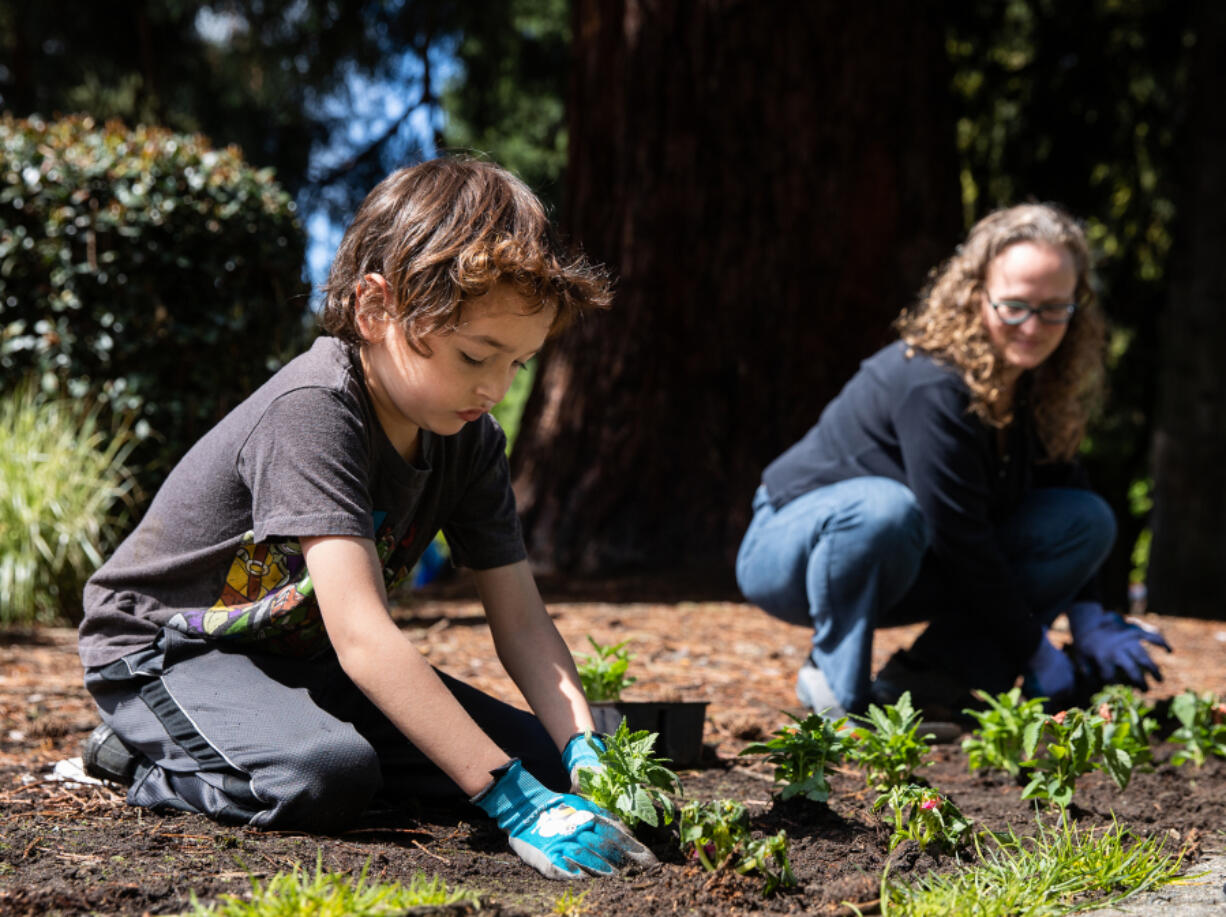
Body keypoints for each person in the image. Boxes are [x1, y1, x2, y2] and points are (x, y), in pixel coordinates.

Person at [76, 157, 655, 881]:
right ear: (376, 308)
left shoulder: (469, 438)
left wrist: (583, 747)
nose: (495, 387)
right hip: (167, 651)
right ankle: (135, 756)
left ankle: (290, 735)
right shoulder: (315, 410)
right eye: (476, 354)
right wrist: (510, 801)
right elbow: (361, 633)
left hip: (297, 659)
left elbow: (522, 620)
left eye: (520, 364)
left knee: (543, 758)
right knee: (324, 776)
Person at [735, 203, 1170, 720]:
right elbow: (960, 535)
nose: (1034, 326)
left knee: (1084, 520)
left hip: (908, 556)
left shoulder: (1034, 382)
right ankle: (837, 695)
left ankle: (928, 683)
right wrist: (1037, 649)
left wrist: (1090, 614)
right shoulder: (932, 383)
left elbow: (1059, 482)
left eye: (1055, 308)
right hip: (792, 551)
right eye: (1015, 306)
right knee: (885, 510)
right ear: (974, 294)